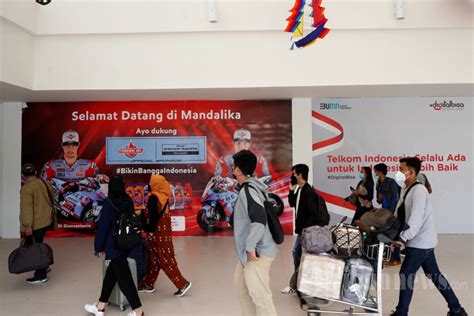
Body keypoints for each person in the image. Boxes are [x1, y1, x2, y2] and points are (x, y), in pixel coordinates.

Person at [389, 157, 467, 316]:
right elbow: (400, 213)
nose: (398, 172)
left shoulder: (419, 191)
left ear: (411, 172)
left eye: (401, 169)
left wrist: (402, 239)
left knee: (406, 274)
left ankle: (401, 313)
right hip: (421, 241)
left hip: (420, 242)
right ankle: (456, 309)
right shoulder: (405, 188)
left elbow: (415, 220)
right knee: (434, 275)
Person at [84, 175, 144, 316]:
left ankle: (138, 311)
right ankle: (100, 306)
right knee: (112, 273)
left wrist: (99, 248)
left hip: (114, 245)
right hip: (126, 242)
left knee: (124, 278)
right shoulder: (128, 200)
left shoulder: (108, 203)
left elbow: (103, 227)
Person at [232, 150, 277, 316]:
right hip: (249, 252)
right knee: (242, 290)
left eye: (234, 166)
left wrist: (250, 247)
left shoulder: (248, 191)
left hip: (257, 253)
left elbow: (259, 220)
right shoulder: (253, 187)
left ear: (237, 170)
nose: (232, 169)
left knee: (262, 299)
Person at [137, 174, 191, 296]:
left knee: (165, 260)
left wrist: (147, 228)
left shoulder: (153, 198)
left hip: (156, 234)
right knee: (154, 260)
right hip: (163, 233)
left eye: (152, 183)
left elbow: (153, 218)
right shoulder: (164, 197)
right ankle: (148, 284)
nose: (150, 185)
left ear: (155, 185)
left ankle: (182, 284)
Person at [281, 163, 320, 294]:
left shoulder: (308, 192)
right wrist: (291, 190)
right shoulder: (300, 189)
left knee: (298, 254)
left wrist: (306, 230)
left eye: (294, 174)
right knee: (298, 255)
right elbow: (292, 203)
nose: (293, 176)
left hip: (306, 231)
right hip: (302, 230)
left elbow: (313, 213)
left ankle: (296, 285)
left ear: (300, 175)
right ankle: (299, 284)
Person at [19, 163, 56, 284]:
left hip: (36, 223)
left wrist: (27, 225)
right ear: (35, 173)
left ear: (23, 175)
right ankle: (44, 266)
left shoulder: (26, 188)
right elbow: (53, 195)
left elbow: (26, 208)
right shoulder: (44, 183)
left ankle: (41, 275)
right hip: (46, 219)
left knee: (36, 248)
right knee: (39, 245)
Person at [373, 163, 402, 267]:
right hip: (385, 212)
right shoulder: (378, 184)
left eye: (375, 171)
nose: (375, 173)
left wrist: (390, 213)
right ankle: (387, 255)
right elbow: (379, 199)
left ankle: (396, 258)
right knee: (385, 235)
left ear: (380, 172)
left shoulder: (391, 182)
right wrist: (379, 199)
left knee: (394, 235)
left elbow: (395, 198)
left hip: (392, 213)